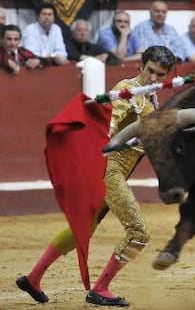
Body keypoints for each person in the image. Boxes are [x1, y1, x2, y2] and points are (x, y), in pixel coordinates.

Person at [16, 45, 176, 307]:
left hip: (116, 174)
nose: (154, 79)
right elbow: (114, 116)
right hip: (110, 173)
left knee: (83, 228)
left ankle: (33, 278)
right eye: (150, 71)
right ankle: (100, 288)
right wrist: (110, 128)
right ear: (140, 66)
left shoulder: (150, 98)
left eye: (160, 75)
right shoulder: (130, 91)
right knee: (139, 232)